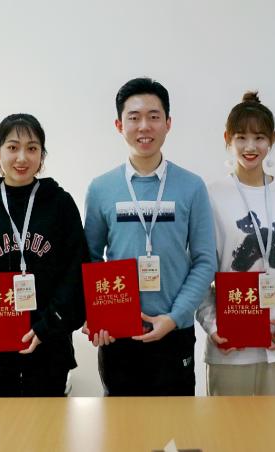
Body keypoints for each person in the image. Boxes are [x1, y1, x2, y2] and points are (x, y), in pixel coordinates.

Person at [83, 77, 216, 396]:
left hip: (174, 331)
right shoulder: (101, 188)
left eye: (154, 116)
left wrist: (174, 317)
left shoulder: (192, 186)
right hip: (118, 335)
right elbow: (89, 258)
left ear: (168, 123)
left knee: (176, 425)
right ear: (119, 125)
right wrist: (99, 315)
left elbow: (204, 260)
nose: (144, 126)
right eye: (134, 117)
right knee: (121, 425)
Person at [0, 114, 88, 397]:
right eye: (12, 147)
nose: (22, 157)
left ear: (42, 156)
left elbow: (76, 273)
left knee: (47, 425)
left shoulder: (61, 205)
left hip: (49, 343)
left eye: (32, 148)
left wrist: (46, 327)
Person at [197, 91, 275, 395]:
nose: (250, 147)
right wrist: (213, 325)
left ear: (272, 140)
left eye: (259, 137)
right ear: (227, 139)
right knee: (228, 425)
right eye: (241, 137)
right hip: (230, 343)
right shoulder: (211, 195)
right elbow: (202, 268)